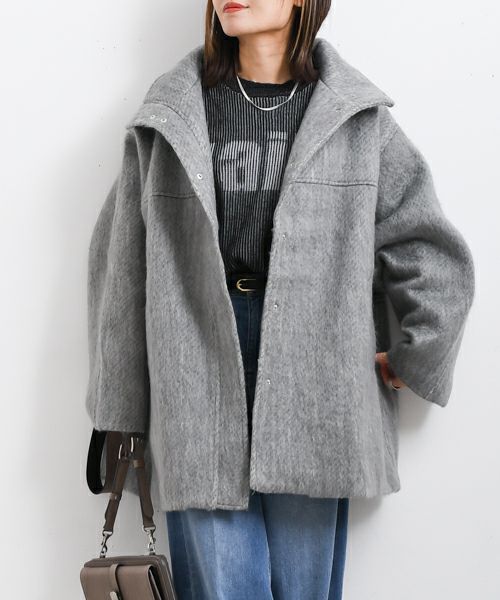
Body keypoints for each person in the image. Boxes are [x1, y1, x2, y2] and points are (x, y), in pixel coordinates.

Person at [84, 1, 475, 598]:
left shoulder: (355, 117)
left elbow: (429, 248)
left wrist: (416, 358)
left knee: (303, 589)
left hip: (318, 375)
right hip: (194, 364)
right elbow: (121, 266)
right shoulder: (173, 113)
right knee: (222, 586)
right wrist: (119, 414)